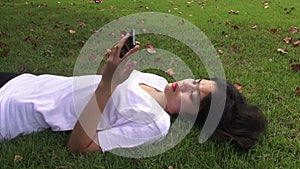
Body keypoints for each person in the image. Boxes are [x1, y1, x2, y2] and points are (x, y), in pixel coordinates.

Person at [0, 35, 268, 153]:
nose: (186, 84)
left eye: (194, 96)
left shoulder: (155, 124)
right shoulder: (156, 79)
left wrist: (107, 83)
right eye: (196, 80)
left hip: (15, 109)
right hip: (25, 82)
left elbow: (78, 147)